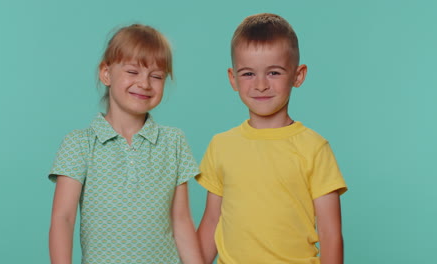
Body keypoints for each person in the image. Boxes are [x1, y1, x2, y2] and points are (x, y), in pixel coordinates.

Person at [196, 13, 348, 264]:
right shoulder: (221, 146)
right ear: (233, 78)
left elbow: (331, 235)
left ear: (298, 76)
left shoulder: (314, 148)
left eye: (274, 73)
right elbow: (212, 221)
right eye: (247, 74)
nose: (261, 85)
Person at [48, 24, 203, 264]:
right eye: (133, 72)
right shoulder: (79, 144)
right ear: (106, 73)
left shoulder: (174, 142)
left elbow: (181, 220)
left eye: (156, 76)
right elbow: (63, 218)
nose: (144, 83)